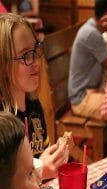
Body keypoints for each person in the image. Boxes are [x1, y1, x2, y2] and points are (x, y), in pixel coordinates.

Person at [0, 13, 68, 180]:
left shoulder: (34, 107)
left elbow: (42, 156)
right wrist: (41, 169)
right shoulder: (2, 120)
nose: (36, 62)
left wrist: (54, 157)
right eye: (25, 56)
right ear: (3, 64)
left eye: (36, 50)